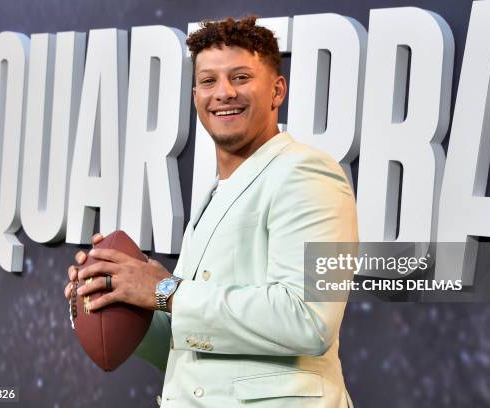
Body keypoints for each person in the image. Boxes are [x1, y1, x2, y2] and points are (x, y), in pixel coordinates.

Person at [64, 16, 358, 407]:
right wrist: (108, 295)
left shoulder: (310, 172)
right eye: (208, 81)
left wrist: (163, 290)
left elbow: (309, 320)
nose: (223, 93)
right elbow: (192, 348)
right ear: (195, 96)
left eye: (240, 77)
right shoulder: (215, 194)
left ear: (277, 90)